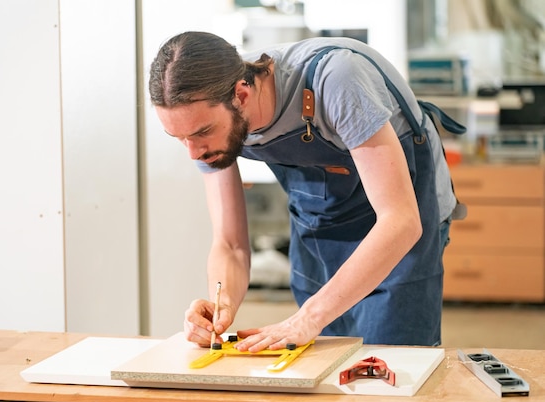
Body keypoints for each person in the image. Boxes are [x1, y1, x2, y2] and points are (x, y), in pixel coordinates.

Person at [148, 31, 465, 351]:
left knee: (391, 363)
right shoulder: (208, 122)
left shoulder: (338, 79)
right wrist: (223, 303)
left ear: (241, 96)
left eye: (203, 132)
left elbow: (401, 221)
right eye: (179, 137)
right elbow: (230, 244)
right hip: (321, 227)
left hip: (400, 220)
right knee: (323, 363)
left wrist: (310, 316)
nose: (193, 152)